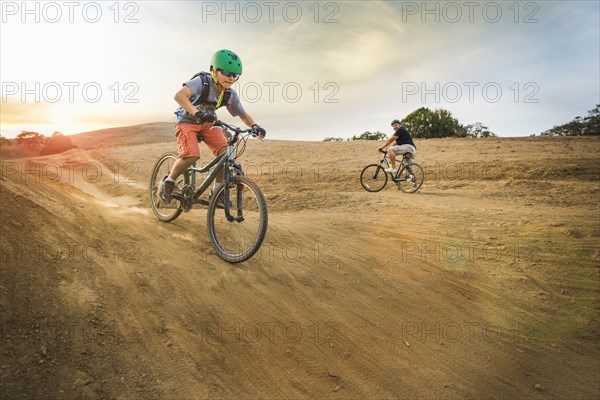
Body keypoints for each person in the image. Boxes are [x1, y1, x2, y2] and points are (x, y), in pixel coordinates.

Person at [159, 49, 266, 203]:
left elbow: (242, 114)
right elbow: (179, 96)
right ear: (213, 70)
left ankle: (217, 192)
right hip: (186, 121)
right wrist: (198, 114)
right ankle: (168, 182)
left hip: (208, 124)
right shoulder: (202, 82)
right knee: (191, 155)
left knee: (226, 154)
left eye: (235, 75)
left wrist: (255, 126)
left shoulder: (230, 95)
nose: (231, 78)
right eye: (227, 72)